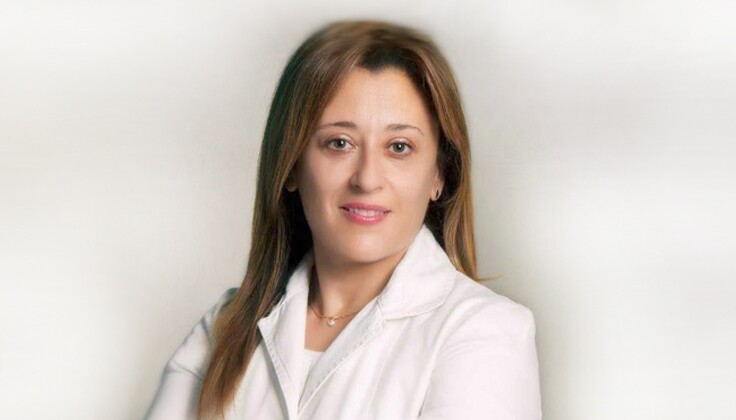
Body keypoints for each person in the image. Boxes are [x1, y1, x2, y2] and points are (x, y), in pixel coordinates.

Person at [144, 19, 542, 420]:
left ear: (439, 174)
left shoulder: (484, 331)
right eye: (339, 143)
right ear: (292, 165)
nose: (367, 179)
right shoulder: (224, 328)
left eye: (399, 147)